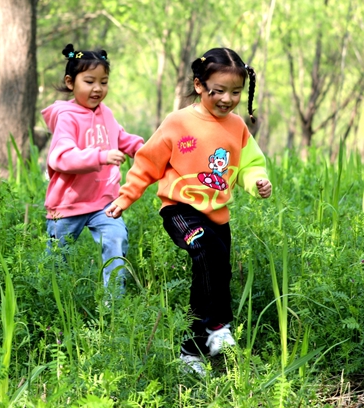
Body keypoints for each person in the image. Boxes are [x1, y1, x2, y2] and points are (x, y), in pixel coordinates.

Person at [104, 47, 272, 376]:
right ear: (199, 85)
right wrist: (127, 196)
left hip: (217, 214)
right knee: (206, 251)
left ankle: (191, 351)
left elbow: (251, 163)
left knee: (212, 273)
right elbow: (148, 163)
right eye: (219, 91)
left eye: (236, 92)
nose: (227, 99)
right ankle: (217, 327)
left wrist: (258, 182)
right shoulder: (178, 122)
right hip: (180, 210)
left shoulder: (237, 127)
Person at [42, 44, 145, 294]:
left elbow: (122, 138)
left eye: (104, 82)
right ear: (70, 82)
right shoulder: (66, 117)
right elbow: (61, 158)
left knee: (116, 239)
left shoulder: (106, 113)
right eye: (89, 81)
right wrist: (100, 156)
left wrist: (144, 150)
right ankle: (51, 301)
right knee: (57, 260)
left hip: (103, 202)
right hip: (68, 204)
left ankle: (113, 302)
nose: (97, 88)